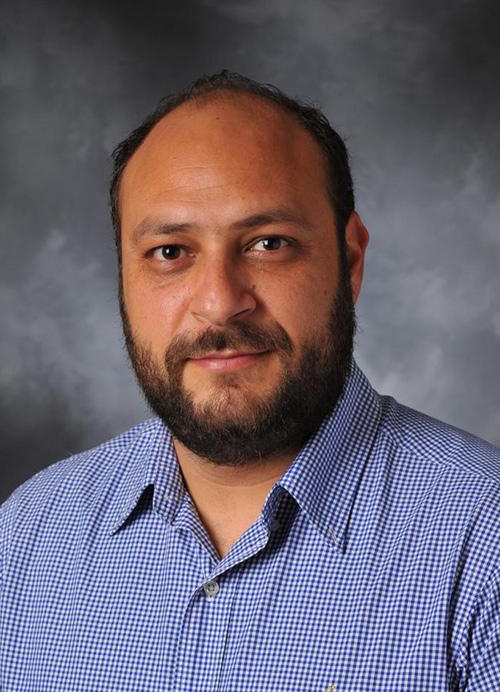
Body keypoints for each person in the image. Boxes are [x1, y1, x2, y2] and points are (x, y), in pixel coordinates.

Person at [1, 71, 499, 692]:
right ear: (124, 278)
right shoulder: (28, 537)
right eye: (170, 251)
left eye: (268, 243)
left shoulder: (486, 543)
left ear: (349, 263)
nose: (219, 302)